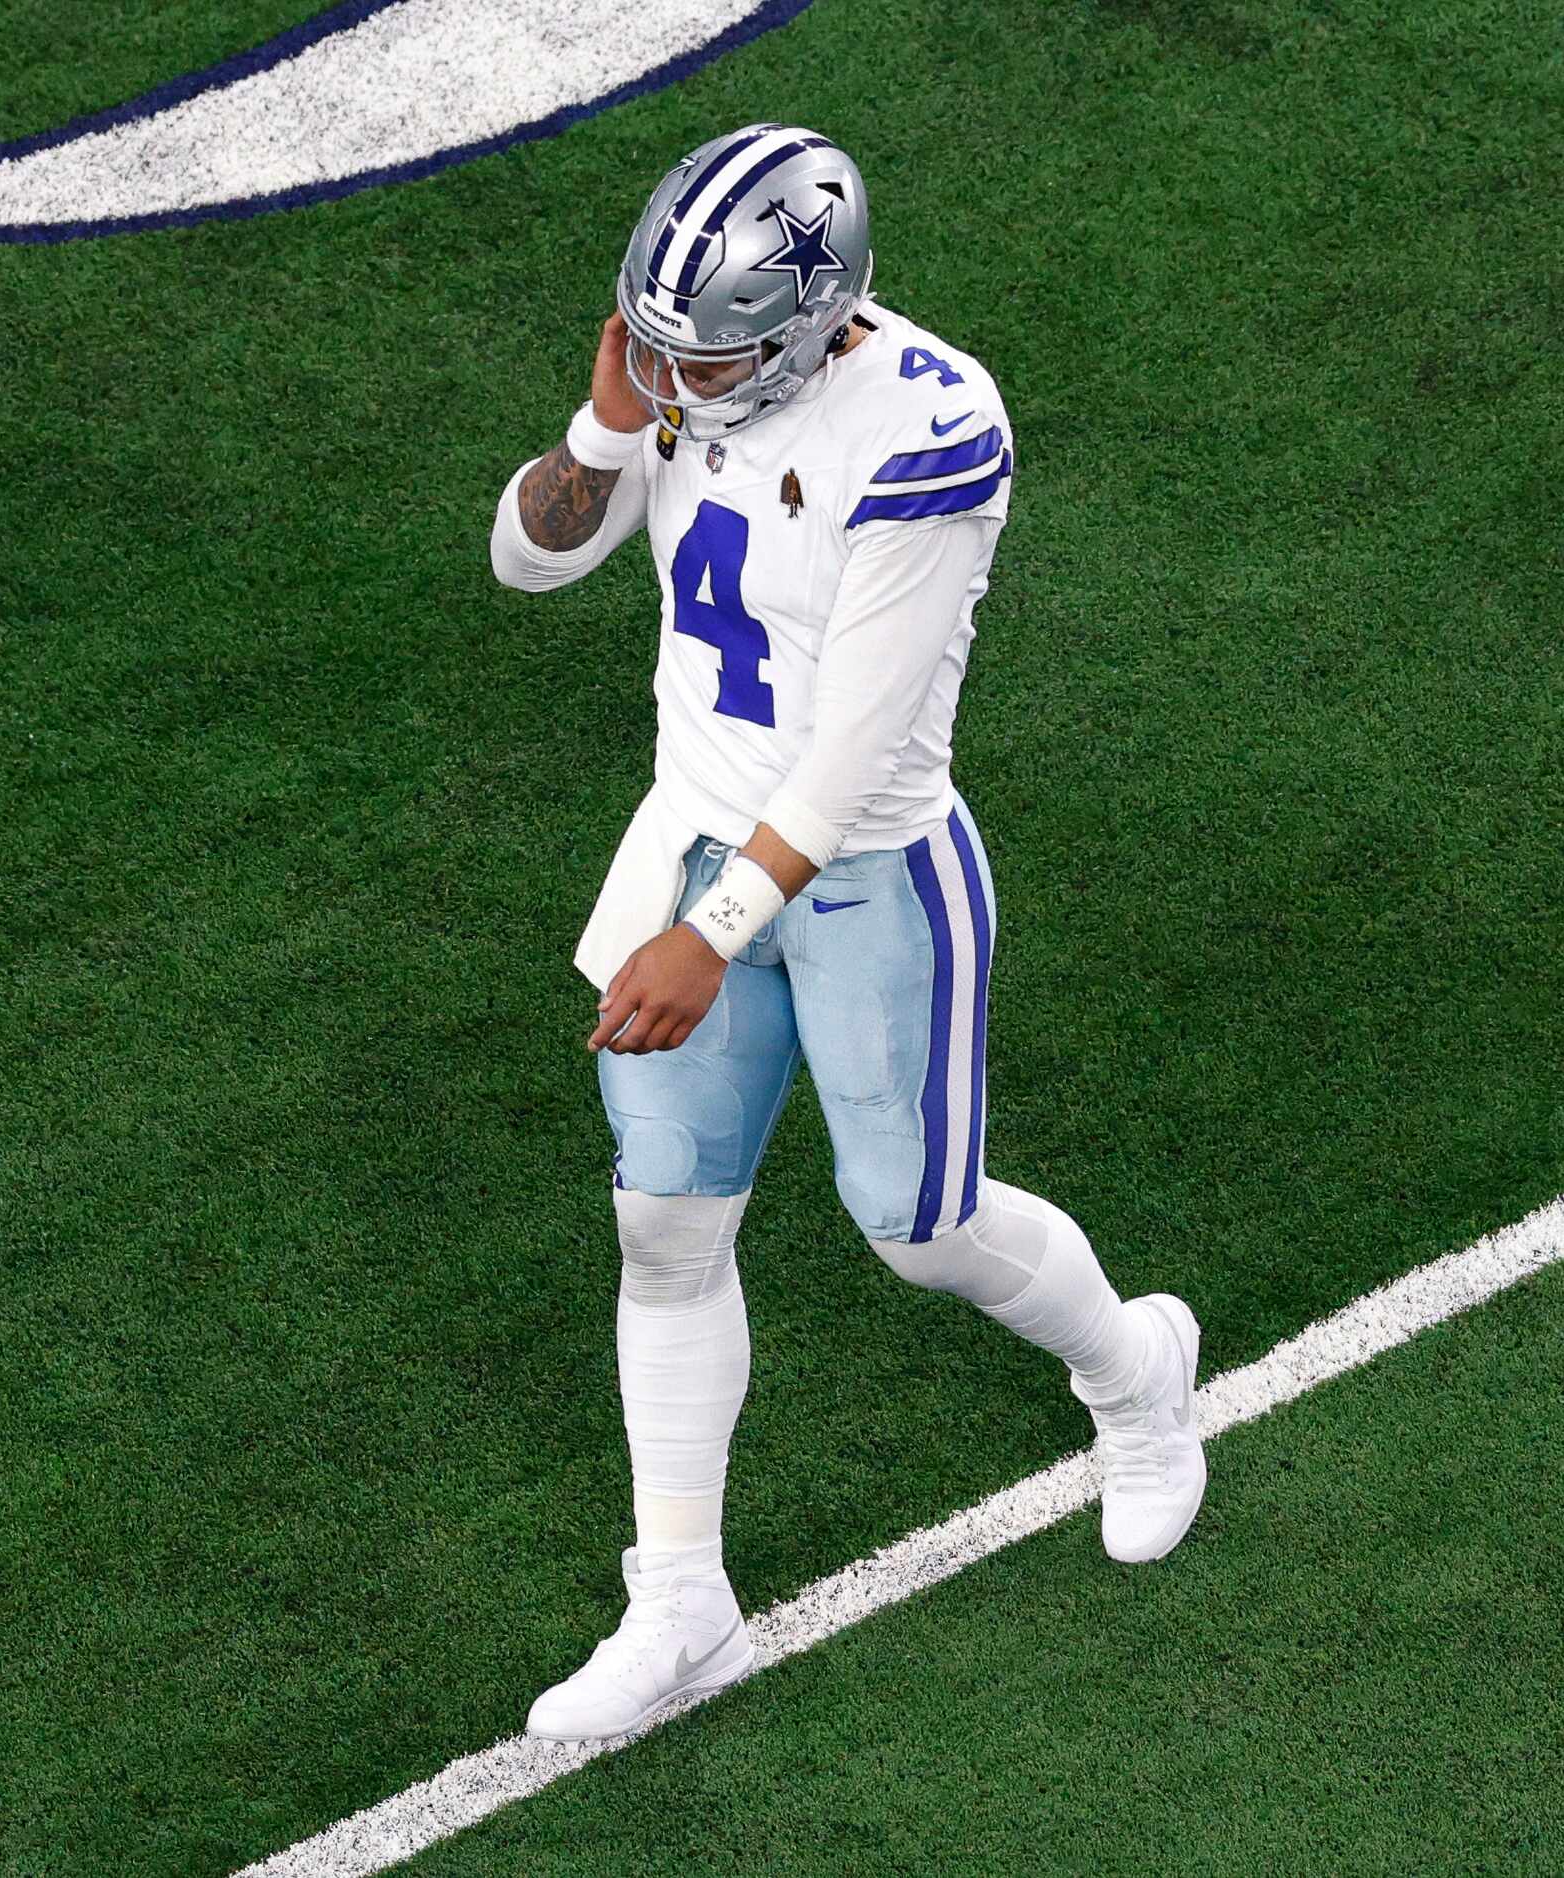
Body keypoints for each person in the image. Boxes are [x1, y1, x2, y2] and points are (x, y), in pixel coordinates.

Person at [488, 124, 1205, 1744]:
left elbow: (855, 745)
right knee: (662, 1225)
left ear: (810, 319)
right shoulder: (673, 391)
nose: (680, 373)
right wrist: (604, 424)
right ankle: (678, 1594)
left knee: (916, 1225)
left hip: (863, 867)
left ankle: (1134, 1373)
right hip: (688, 830)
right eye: (655, 340)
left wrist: (711, 929)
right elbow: (528, 558)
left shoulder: (931, 425)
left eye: (706, 349)